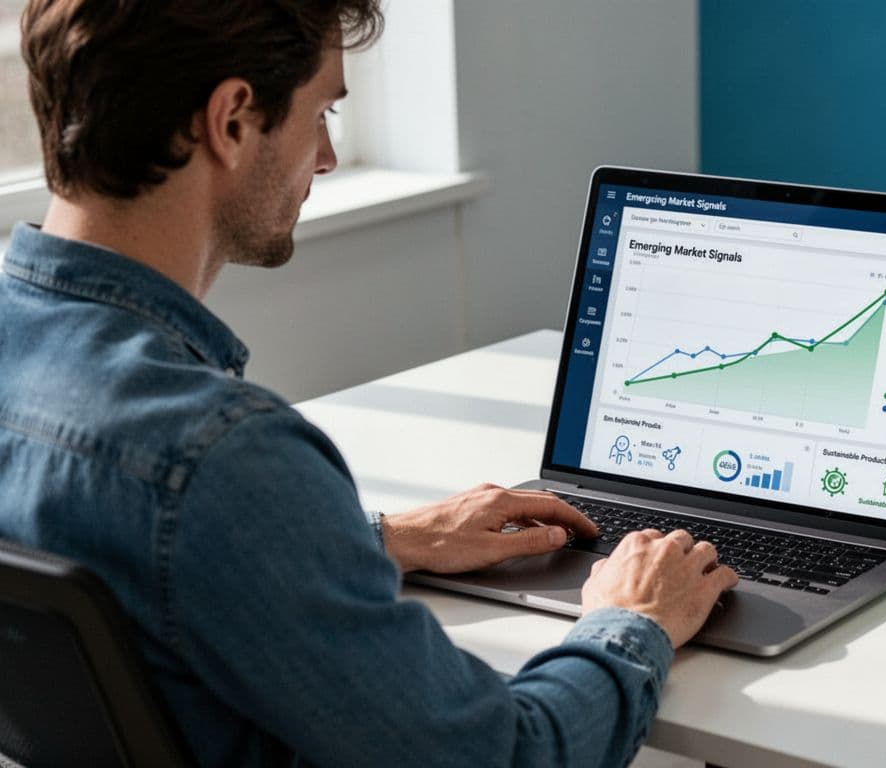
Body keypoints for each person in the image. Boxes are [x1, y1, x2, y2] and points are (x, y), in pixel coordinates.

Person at [0, 2, 736, 767]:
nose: (324, 156)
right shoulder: (223, 458)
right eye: (322, 113)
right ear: (230, 120)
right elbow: (512, 757)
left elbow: (156, 569)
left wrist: (379, 540)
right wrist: (634, 618)